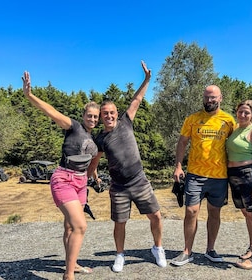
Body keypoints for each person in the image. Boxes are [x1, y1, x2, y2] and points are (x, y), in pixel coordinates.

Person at [87, 61, 167, 273]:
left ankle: (158, 248)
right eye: (105, 114)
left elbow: (137, 99)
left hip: (140, 181)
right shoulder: (100, 138)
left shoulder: (126, 121)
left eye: (112, 112)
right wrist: (92, 178)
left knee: (156, 216)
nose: (109, 116)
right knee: (120, 223)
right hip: (119, 187)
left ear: (116, 112)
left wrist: (147, 80)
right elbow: (94, 160)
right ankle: (120, 255)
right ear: (101, 117)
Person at [22, 71, 99, 280]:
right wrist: (30, 95)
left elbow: (90, 160)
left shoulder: (94, 140)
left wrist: (95, 177)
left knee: (69, 227)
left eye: (95, 117)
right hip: (64, 179)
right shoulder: (73, 127)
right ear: (83, 116)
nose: (92, 119)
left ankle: (72, 265)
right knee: (80, 225)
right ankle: (68, 275)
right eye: (89, 116)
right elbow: (51, 111)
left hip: (81, 183)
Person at [170, 85, 236, 266]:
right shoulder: (193, 119)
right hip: (195, 174)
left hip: (219, 176)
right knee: (191, 212)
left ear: (220, 98)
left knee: (214, 213)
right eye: (207, 97)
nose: (209, 100)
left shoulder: (229, 120)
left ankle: (210, 249)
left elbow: (236, 144)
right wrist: (178, 166)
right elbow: (182, 142)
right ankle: (187, 251)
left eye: (213, 97)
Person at [225, 99, 252, 269]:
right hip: (235, 176)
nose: (242, 115)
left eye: (247, 112)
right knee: (246, 214)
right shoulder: (236, 129)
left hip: (250, 175)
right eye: (240, 111)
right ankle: (251, 248)